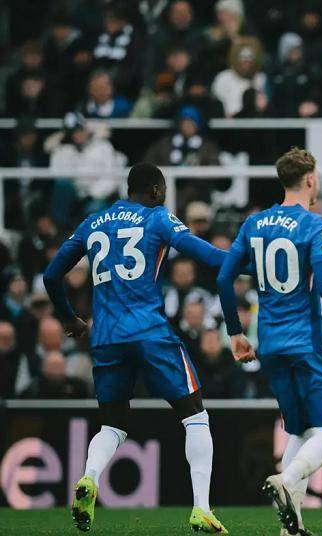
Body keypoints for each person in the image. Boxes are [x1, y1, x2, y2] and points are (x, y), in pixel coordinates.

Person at [42, 163, 230, 533]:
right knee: (195, 415)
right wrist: (251, 263)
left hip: (105, 336)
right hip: (149, 331)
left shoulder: (94, 222)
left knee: (112, 423)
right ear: (157, 190)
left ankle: (89, 476)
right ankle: (201, 508)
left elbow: (51, 275)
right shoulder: (157, 218)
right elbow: (209, 256)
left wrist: (69, 318)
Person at [217, 147, 322, 536]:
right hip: (307, 343)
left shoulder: (254, 223)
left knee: (299, 431)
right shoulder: (314, 225)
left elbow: (224, 278)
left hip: (270, 345)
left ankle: (291, 528)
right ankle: (288, 478)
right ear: (310, 179)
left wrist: (235, 333)